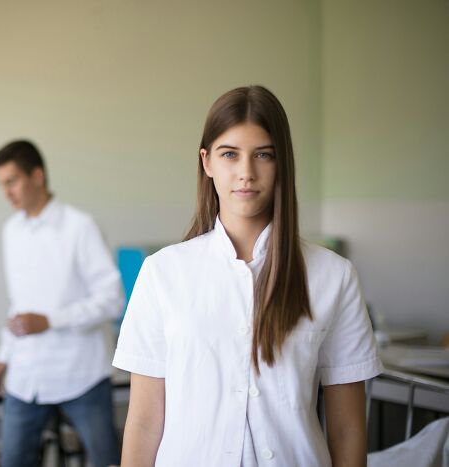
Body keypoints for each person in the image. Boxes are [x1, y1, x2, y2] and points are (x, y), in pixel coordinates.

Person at [113, 85, 383, 466]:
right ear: (207, 162)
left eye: (263, 155)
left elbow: (347, 428)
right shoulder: (163, 273)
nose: (246, 173)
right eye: (229, 154)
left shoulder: (333, 276)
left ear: (282, 163)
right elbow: (143, 423)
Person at [0, 140, 123, 467]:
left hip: (82, 376)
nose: (6, 192)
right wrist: (3, 355)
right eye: (1, 185)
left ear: (37, 176)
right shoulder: (11, 231)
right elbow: (18, 304)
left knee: (109, 461)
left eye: (12, 181)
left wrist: (52, 320)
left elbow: (113, 299)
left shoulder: (80, 226)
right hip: (27, 376)